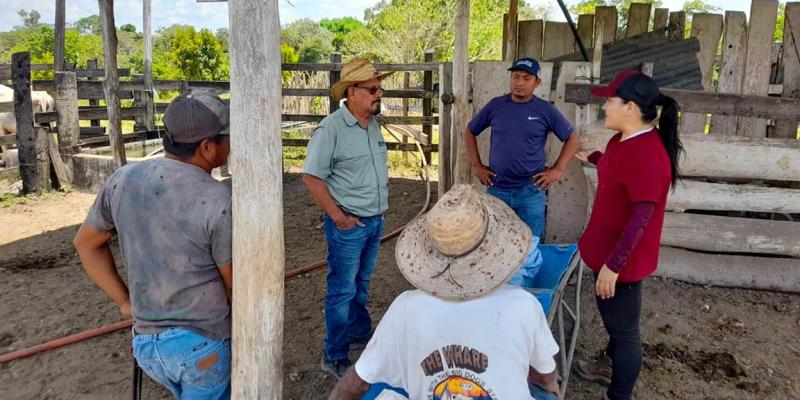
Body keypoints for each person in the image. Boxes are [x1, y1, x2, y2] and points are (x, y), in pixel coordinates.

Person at [328, 185, 561, 400]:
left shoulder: (406, 308)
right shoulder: (524, 305)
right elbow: (544, 376)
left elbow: (355, 383)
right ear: (495, 249)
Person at [73, 90, 233, 399]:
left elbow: (86, 243)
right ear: (207, 146)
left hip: (146, 345)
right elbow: (233, 285)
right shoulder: (218, 198)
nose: (230, 144)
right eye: (226, 138)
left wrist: (124, 301)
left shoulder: (123, 179)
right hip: (202, 346)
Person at [574, 70, 683, 400]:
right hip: (608, 252)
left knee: (625, 334)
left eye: (610, 101)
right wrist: (593, 158)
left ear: (631, 108)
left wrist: (613, 266)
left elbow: (640, 220)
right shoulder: (622, 140)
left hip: (621, 263)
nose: (605, 107)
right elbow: (616, 168)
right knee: (617, 324)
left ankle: (619, 394)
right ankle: (610, 365)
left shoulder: (648, 155)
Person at [303, 58, 393, 377]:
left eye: (379, 88)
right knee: (342, 289)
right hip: (349, 225)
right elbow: (312, 177)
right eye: (372, 89)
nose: (378, 94)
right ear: (351, 92)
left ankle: (357, 333)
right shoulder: (332, 129)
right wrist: (338, 217)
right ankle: (334, 353)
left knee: (360, 285)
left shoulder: (372, 126)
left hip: (373, 222)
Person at [465, 57, 580, 238]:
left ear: (537, 82)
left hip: (531, 191)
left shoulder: (544, 110)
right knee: (494, 243)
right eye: (516, 77)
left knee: (531, 243)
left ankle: (529, 267)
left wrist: (558, 169)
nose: (519, 83)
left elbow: (572, 138)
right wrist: (477, 166)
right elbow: (470, 131)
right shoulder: (496, 105)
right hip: (497, 189)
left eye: (527, 78)